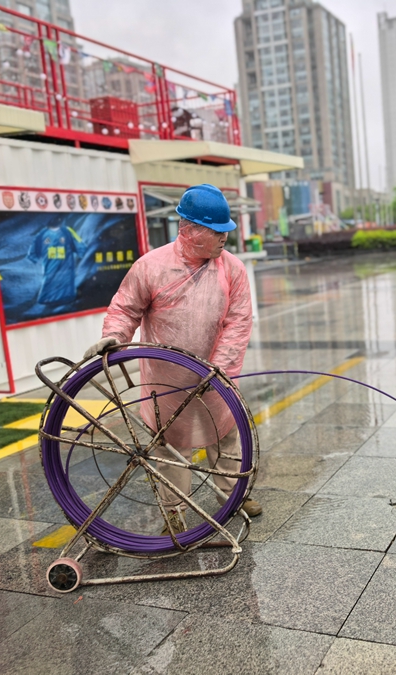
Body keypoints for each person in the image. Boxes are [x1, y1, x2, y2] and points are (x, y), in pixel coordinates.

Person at [84, 184, 259, 535]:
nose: (224, 237)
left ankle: (233, 497)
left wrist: (219, 369)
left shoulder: (232, 269)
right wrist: (115, 336)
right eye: (216, 231)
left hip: (214, 375)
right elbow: (125, 309)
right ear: (190, 230)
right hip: (166, 380)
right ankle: (174, 513)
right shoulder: (152, 267)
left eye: (226, 230)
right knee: (170, 447)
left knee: (225, 436)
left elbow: (238, 322)